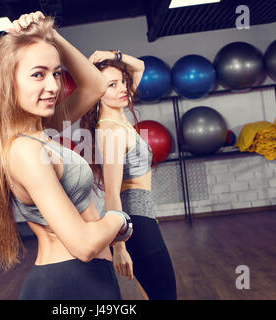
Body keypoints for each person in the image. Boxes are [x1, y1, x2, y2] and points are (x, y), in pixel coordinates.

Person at [0, 12, 132, 300]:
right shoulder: (25, 150)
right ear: (9, 82)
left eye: (56, 73)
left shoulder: (43, 129)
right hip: (68, 283)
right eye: (38, 74)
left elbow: (95, 86)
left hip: (85, 279)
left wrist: (49, 34)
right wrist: (119, 219)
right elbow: (83, 245)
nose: (54, 86)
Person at [80, 51, 177, 300]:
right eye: (111, 85)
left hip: (143, 215)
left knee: (153, 295)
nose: (123, 88)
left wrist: (114, 55)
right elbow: (112, 194)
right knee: (165, 296)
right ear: (97, 91)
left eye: (122, 81)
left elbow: (140, 66)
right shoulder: (110, 131)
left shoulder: (119, 117)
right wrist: (120, 246)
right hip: (135, 222)